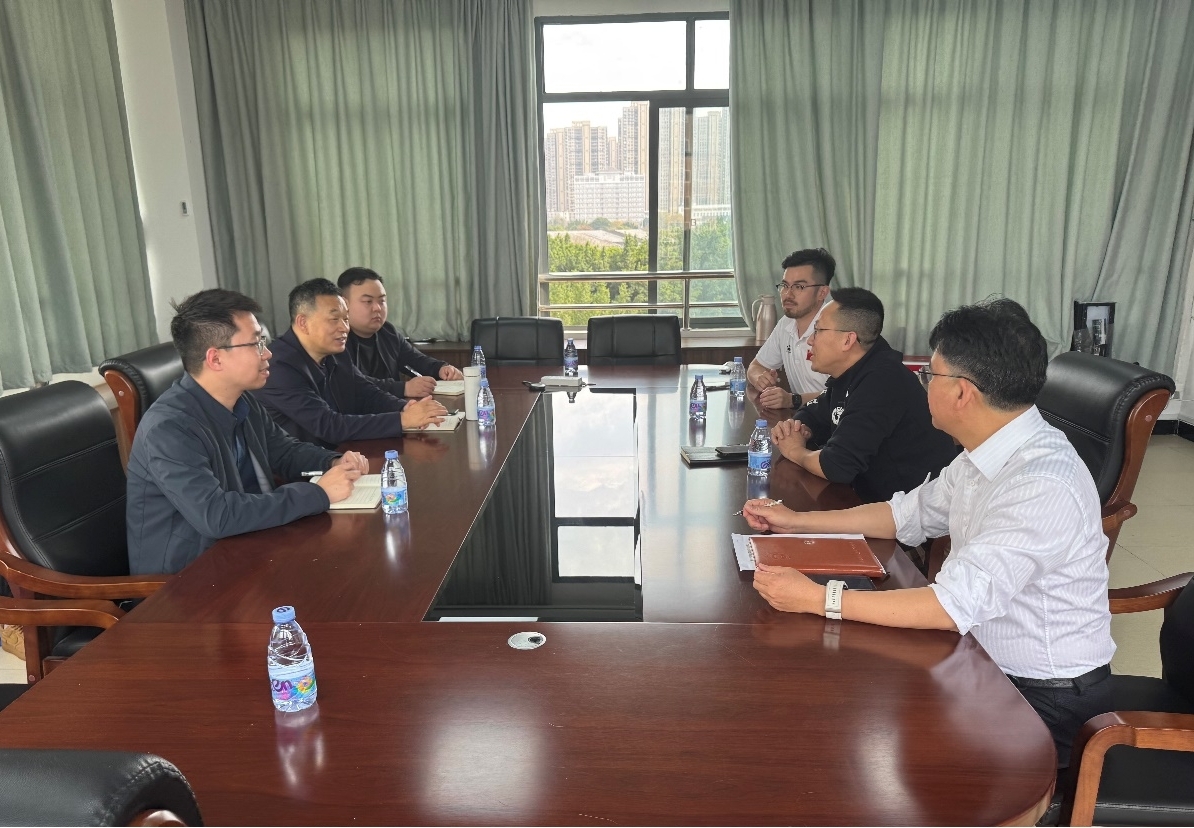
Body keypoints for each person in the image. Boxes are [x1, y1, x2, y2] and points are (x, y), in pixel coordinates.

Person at [743, 298, 1114, 769]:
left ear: (962, 393)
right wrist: (797, 522)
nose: (922, 386)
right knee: (835, 699)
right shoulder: (986, 451)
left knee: (853, 736)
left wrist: (818, 598)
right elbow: (905, 515)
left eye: (929, 376)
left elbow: (949, 606)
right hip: (977, 658)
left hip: (1041, 699)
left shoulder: (1040, 482)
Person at [126, 289, 368, 575]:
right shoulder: (169, 428)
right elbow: (217, 516)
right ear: (215, 359)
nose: (268, 353)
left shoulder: (242, 400)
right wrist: (317, 494)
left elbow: (285, 452)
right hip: (188, 580)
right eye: (256, 343)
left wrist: (332, 461)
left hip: (248, 547)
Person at [772, 287, 958, 503]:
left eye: (818, 330)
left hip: (913, 513)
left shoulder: (882, 381)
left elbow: (837, 466)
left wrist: (795, 451)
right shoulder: (853, 371)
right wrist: (797, 429)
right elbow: (814, 413)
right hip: (872, 501)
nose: (811, 341)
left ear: (848, 340)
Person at [256, 279, 447, 448]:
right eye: (334, 319)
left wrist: (406, 407)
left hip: (343, 452)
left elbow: (366, 393)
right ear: (303, 323)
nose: (344, 328)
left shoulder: (335, 352)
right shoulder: (278, 366)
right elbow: (329, 425)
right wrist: (402, 420)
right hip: (304, 467)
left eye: (346, 319)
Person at [338, 266, 464, 399]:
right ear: (343, 304)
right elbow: (351, 382)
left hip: (392, 406)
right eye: (368, 301)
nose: (377, 308)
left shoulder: (387, 332)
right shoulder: (337, 339)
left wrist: (441, 368)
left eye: (382, 301)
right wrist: (402, 388)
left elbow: (415, 359)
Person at [747, 248, 834, 409]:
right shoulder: (786, 323)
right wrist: (760, 378)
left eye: (799, 287)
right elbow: (755, 367)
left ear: (822, 292)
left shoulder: (837, 328)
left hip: (837, 421)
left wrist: (794, 400)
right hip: (803, 418)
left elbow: (845, 395)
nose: (788, 294)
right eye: (785, 285)